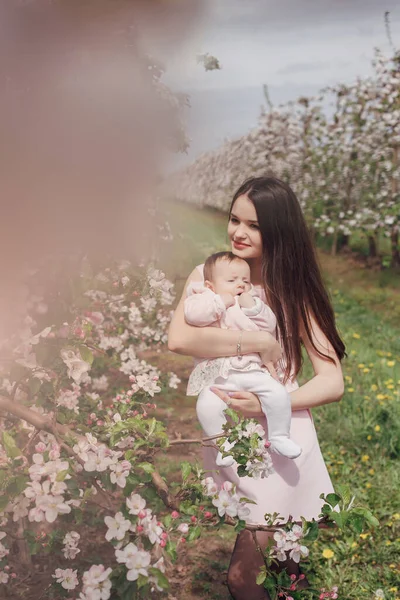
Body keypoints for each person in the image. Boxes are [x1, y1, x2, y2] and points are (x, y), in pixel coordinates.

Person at [168, 176, 345, 599]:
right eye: (234, 220)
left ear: (278, 230)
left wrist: (267, 408)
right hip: (235, 430)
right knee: (284, 569)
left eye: (255, 225)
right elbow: (180, 339)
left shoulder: (291, 289)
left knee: (249, 576)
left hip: (278, 434)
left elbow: (332, 381)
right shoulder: (210, 274)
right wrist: (258, 342)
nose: (239, 233)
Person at [184, 250, 302, 466]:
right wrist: (221, 301)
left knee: (278, 395)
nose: (240, 284)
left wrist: (253, 307)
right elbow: (193, 316)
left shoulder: (251, 301)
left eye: (244, 280)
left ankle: (279, 436)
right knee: (206, 406)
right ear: (211, 285)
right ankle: (224, 443)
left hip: (252, 370)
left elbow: (269, 326)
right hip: (219, 375)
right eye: (231, 280)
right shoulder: (204, 297)